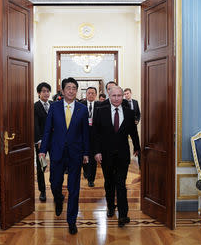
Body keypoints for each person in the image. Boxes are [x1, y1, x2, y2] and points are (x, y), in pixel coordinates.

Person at [39, 77, 90, 235]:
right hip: (57, 152)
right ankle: (59, 197)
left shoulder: (82, 109)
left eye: (74, 88)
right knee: (55, 183)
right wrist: (43, 150)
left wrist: (86, 152)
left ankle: (72, 220)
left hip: (75, 153)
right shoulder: (54, 107)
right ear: (62, 90)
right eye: (68, 87)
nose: (71, 90)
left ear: (76, 90)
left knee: (74, 188)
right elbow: (48, 130)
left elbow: (85, 134)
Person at [93, 86, 140, 227]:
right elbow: (95, 134)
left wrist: (137, 147)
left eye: (120, 95)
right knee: (109, 183)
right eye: (114, 95)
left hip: (122, 155)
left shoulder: (129, 112)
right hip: (105, 154)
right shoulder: (100, 111)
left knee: (121, 183)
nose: (117, 98)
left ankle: (123, 214)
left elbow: (133, 132)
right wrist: (96, 151)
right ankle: (110, 207)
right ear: (109, 95)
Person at [34, 82, 52, 202]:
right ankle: (43, 191)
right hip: (41, 143)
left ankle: (55, 186)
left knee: (56, 164)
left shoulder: (53, 104)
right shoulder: (35, 106)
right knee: (42, 166)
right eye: (43, 91)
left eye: (48, 91)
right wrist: (39, 140)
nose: (46, 93)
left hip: (54, 141)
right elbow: (35, 125)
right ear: (39, 93)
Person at [80, 86, 100, 187]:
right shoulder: (81, 105)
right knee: (84, 156)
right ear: (86, 94)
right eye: (89, 93)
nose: (91, 95)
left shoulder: (99, 105)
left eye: (93, 93)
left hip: (95, 136)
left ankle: (91, 179)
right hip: (83, 135)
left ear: (96, 95)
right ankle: (86, 171)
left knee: (93, 159)